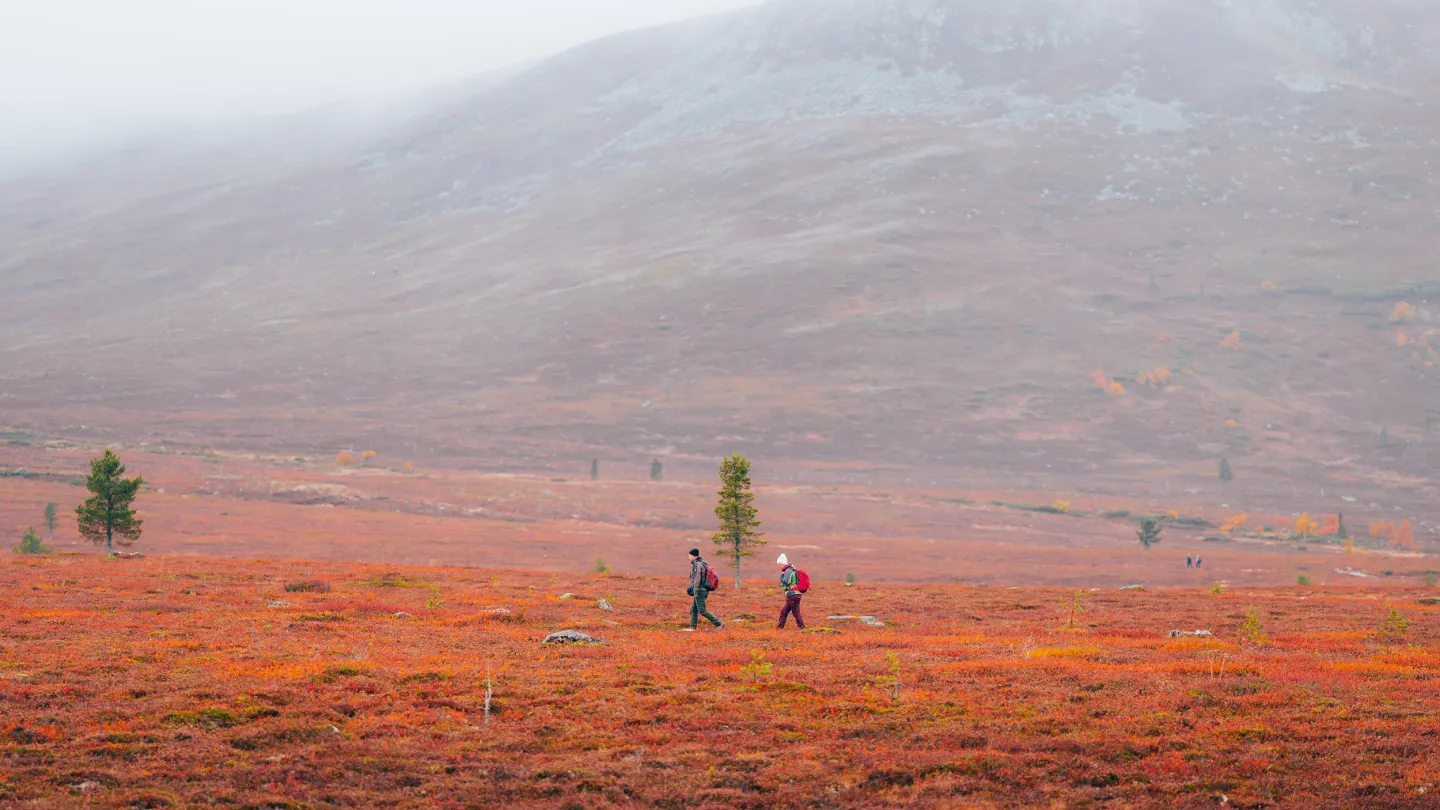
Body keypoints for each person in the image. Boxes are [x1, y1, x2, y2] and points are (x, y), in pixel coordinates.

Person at [686, 548, 723, 630]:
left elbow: (697, 579)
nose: (688, 557)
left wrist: (695, 591)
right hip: (702, 590)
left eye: (689, 556)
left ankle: (719, 624)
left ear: (693, 555)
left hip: (700, 590)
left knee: (702, 610)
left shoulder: (697, 564)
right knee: (693, 609)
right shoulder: (703, 563)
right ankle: (693, 627)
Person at [776, 554, 805, 630]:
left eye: (779, 564)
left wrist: (781, 577)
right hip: (792, 595)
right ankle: (779, 629)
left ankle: (802, 629)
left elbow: (786, 582)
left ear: (783, 563)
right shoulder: (790, 569)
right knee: (784, 611)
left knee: (796, 613)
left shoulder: (788, 570)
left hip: (793, 595)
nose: (779, 566)